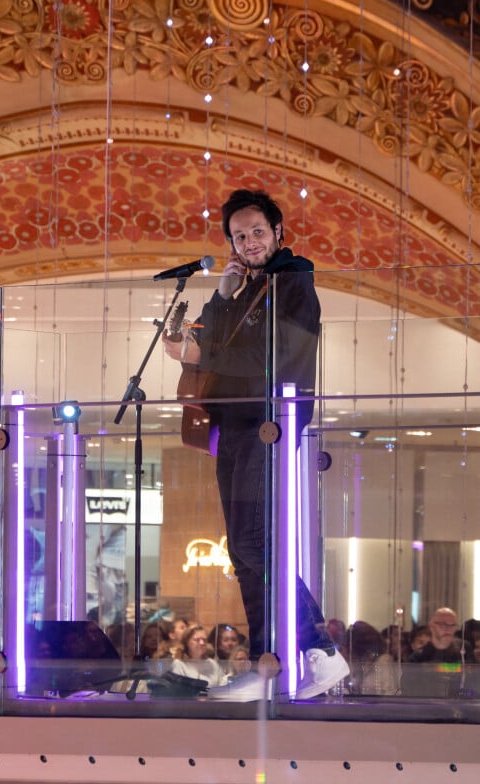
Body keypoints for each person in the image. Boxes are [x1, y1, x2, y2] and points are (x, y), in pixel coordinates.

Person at [163, 188, 349, 699]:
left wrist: (207, 354)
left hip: (271, 423)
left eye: (257, 233)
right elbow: (194, 340)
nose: (248, 243)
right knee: (244, 553)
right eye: (239, 236)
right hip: (234, 424)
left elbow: (273, 355)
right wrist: (221, 296)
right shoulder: (241, 287)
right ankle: (272, 664)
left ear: (278, 232)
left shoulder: (293, 280)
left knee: (254, 544)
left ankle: (320, 652)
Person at [409, 608, 473, 664]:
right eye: (443, 625)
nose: (448, 629)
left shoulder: (464, 648)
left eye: (452, 625)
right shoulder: (420, 655)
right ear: (432, 626)